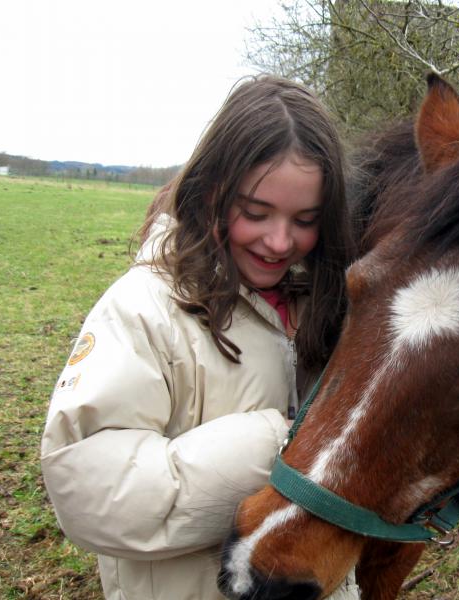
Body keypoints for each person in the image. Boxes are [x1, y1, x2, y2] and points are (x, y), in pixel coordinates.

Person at [41, 75, 358, 600]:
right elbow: (90, 493)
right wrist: (274, 448)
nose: (280, 242)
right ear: (211, 192)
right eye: (255, 213)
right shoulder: (143, 310)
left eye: (305, 220)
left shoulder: (327, 305)